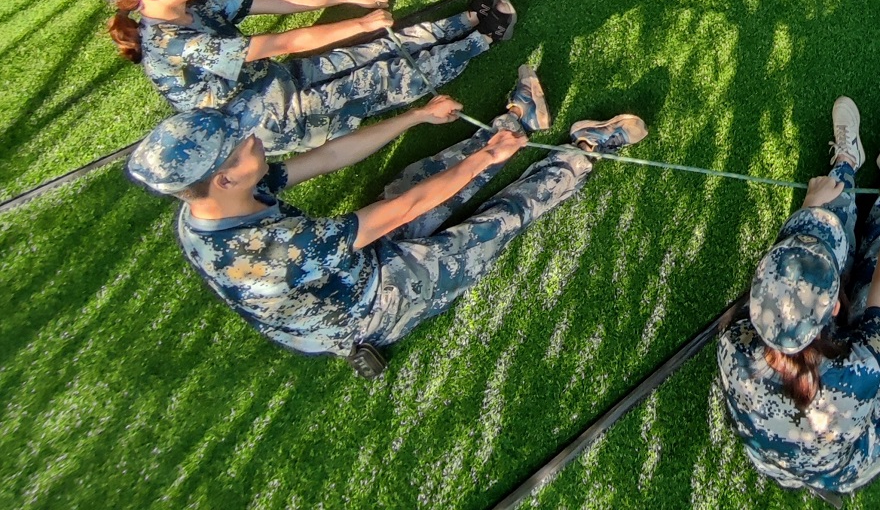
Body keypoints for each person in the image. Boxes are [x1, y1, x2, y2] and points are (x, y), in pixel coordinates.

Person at [128, 81, 647, 369]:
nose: (253, 139)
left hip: (343, 267)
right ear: (222, 178)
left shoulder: (217, 200)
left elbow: (329, 157)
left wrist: (416, 116)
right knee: (487, 227)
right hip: (372, 305)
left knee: (413, 182)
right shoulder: (267, 253)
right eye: (241, 144)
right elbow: (400, 214)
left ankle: (514, 125)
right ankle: (582, 152)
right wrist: (486, 160)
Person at [84, 0, 516, 154]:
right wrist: (359, 22)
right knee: (389, 78)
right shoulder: (171, 43)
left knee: (372, 50)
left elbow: (277, 2)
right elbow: (280, 42)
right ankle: (485, 36)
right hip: (272, 118)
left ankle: (469, 17)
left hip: (275, 80)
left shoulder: (196, 3)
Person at [718, 97, 880, 494]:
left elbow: (786, 266)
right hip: (844, 461)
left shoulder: (733, 344)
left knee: (818, 239)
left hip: (781, 460)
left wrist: (811, 207)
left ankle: (846, 164)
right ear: (834, 308)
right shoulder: (861, 370)